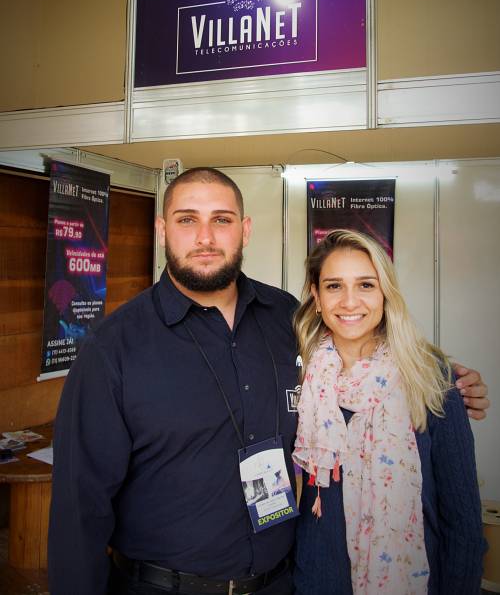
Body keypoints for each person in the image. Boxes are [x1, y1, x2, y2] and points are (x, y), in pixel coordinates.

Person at [48, 168, 489, 595]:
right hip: (165, 586)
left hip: (281, 582)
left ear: (245, 230)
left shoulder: (286, 320)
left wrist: (446, 380)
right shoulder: (113, 348)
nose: (205, 237)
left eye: (222, 220)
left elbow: (363, 352)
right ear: (163, 230)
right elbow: (79, 508)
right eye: (187, 220)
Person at [292, 229, 485, 595]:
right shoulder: (297, 377)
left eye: (366, 285)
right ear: (316, 297)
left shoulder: (431, 379)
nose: (350, 301)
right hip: (317, 580)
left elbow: (463, 523)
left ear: (386, 293)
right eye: (334, 286)